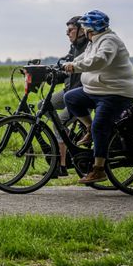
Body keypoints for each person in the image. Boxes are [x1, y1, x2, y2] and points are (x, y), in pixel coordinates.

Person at [62, 10, 133, 184]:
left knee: (100, 126)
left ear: (92, 29)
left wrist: (75, 67)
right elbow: (84, 57)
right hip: (98, 90)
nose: (83, 30)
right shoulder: (94, 41)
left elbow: (100, 60)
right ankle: (89, 129)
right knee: (71, 98)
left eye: (85, 27)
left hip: (116, 93)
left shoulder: (109, 41)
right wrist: (67, 64)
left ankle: (98, 170)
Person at [46, 16, 89, 175]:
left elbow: (78, 68)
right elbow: (67, 70)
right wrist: (50, 75)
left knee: (59, 124)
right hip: (68, 90)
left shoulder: (88, 48)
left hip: (80, 95)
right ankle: (67, 135)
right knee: (43, 106)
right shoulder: (74, 47)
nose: (67, 33)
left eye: (70, 30)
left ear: (81, 31)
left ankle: (61, 165)